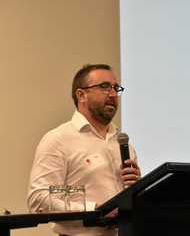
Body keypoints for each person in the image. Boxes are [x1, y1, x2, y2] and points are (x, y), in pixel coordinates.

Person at [27, 64, 141, 236]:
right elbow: (39, 198)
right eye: (104, 87)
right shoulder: (58, 139)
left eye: (116, 88)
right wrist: (95, 211)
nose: (112, 94)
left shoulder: (123, 143)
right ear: (81, 95)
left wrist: (137, 188)